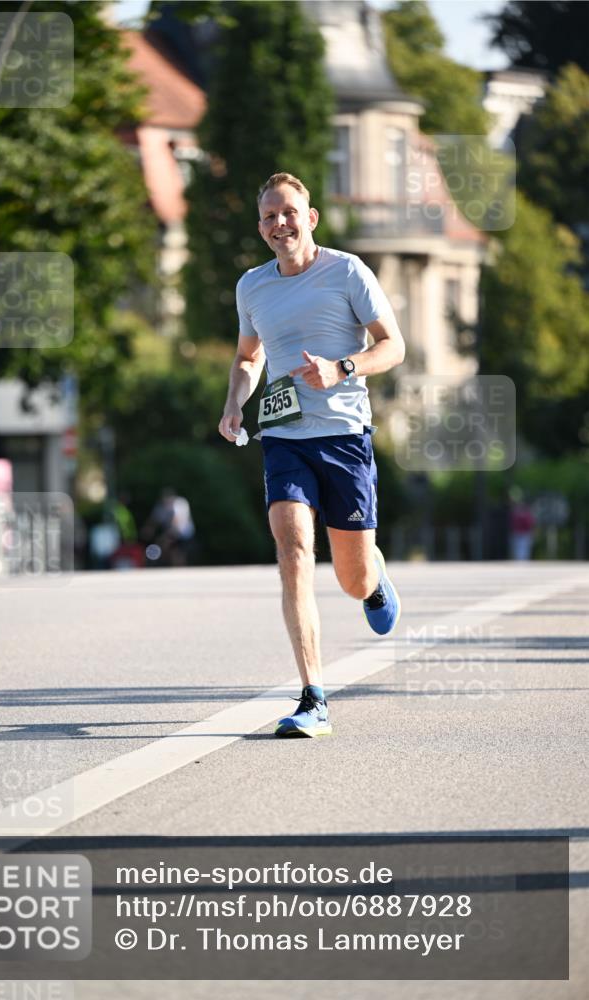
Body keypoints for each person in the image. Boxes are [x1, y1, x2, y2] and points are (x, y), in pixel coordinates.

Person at [218, 172, 405, 738]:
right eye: (270, 216)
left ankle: (372, 581)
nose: (280, 224)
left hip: (346, 436)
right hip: (284, 437)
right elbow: (249, 358)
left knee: (349, 575)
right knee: (294, 546)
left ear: (311, 217)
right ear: (260, 227)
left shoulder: (347, 271)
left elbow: (393, 346)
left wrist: (342, 367)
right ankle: (313, 697)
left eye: (289, 213)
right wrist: (233, 406)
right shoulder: (252, 286)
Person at [144, 488, 196, 566]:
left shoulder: (179, 504)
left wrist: (164, 537)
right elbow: (153, 521)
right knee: (165, 546)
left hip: (184, 534)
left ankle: (179, 567)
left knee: (175, 550)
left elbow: (176, 522)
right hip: (172, 533)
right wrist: (148, 530)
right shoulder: (161, 506)